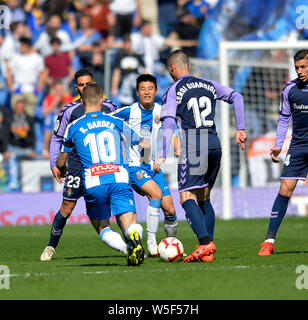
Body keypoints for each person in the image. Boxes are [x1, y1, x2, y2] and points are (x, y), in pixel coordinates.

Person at [154, 50, 246, 262]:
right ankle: (208, 250)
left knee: (187, 196)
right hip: (214, 142)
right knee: (204, 196)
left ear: (172, 68)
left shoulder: (173, 89)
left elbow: (168, 122)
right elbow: (236, 96)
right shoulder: (208, 84)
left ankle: (205, 243)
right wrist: (240, 128)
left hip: (194, 144)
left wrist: (162, 153)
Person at [56, 83, 148, 265]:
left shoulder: (73, 126)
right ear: (101, 100)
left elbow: (61, 160)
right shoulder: (115, 121)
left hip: (93, 181)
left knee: (102, 226)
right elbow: (144, 143)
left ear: (82, 102)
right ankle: (133, 235)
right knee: (129, 221)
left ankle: (125, 248)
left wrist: (62, 168)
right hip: (119, 177)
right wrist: (143, 163)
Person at [40, 69, 117, 261]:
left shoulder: (108, 106)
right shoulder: (68, 110)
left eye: (88, 84)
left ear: (94, 85)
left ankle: (127, 242)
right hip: (75, 167)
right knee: (67, 207)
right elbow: (57, 138)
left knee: (108, 209)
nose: (85, 88)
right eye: (81, 85)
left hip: (101, 166)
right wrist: (54, 163)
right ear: (76, 87)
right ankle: (51, 246)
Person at [112, 74, 178, 256]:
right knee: (156, 195)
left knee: (170, 210)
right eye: (143, 89)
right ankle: (151, 242)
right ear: (137, 92)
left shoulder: (162, 111)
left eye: (150, 88)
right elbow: (108, 122)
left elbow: (172, 133)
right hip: (134, 166)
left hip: (154, 167)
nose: (147, 92)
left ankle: (170, 245)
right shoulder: (128, 111)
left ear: (156, 91)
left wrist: (170, 153)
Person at [258, 49, 308, 256]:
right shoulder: (289, 89)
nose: (299, 71)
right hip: (297, 146)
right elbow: (284, 119)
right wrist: (278, 145)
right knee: (285, 189)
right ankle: (269, 241)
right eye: (297, 67)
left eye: (303, 66)